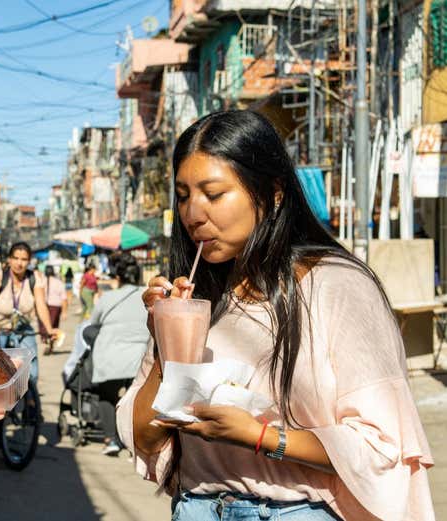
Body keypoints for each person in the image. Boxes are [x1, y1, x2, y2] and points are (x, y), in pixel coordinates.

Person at [118, 110, 435, 521]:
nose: (193, 214)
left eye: (213, 195)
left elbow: (382, 446)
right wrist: (167, 342)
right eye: (183, 195)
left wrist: (259, 435)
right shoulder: (197, 298)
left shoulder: (336, 286)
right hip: (196, 508)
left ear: (272, 193)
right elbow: (145, 438)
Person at [88, 252, 148, 456]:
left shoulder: (108, 297)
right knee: (137, 399)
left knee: (107, 396)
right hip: (140, 356)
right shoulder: (149, 295)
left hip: (110, 355)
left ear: (118, 276)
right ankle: (135, 443)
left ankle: (111, 439)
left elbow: (92, 324)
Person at [0, 242, 59, 384]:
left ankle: (31, 397)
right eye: (15, 258)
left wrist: (49, 328)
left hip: (21, 327)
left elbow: (41, 305)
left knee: (31, 361)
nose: (19, 263)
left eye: (24, 259)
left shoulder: (34, 278)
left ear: (29, 261)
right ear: (9, 259)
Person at [40, 265, 67, 354]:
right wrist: (64, 312)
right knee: (54, 326)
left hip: (43, 306)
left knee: (44, 326)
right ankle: (50, 345)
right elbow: (64, 299)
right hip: (55, 307)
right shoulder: (59, 283)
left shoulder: (41, 282)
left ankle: (46, 343)